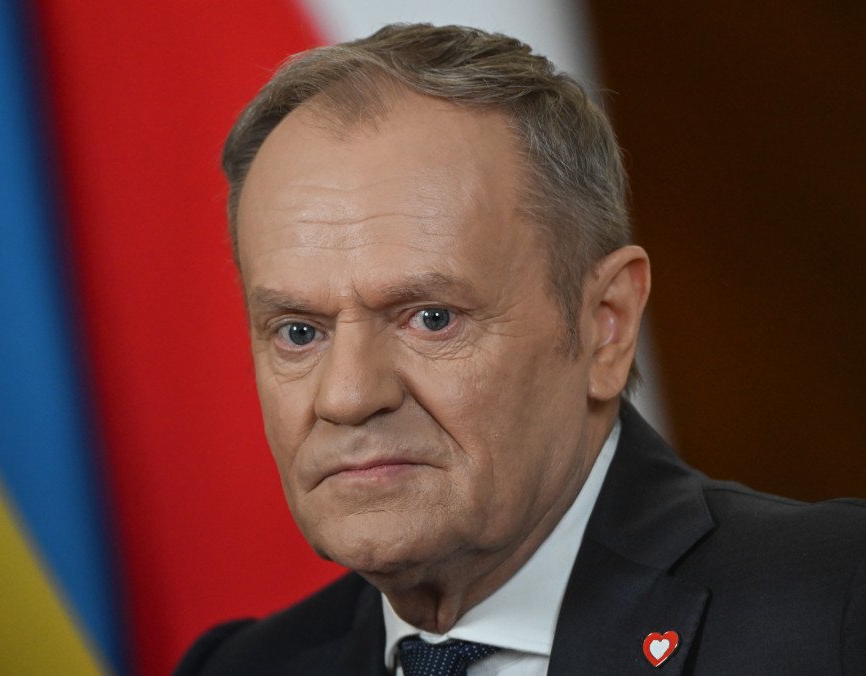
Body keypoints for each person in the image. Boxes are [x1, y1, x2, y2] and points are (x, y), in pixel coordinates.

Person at [177, 24, 866, 675]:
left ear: (605, 324)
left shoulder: (836, 610)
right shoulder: (247, 667)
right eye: (299, 332)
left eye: (432, 318)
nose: (348, 396)